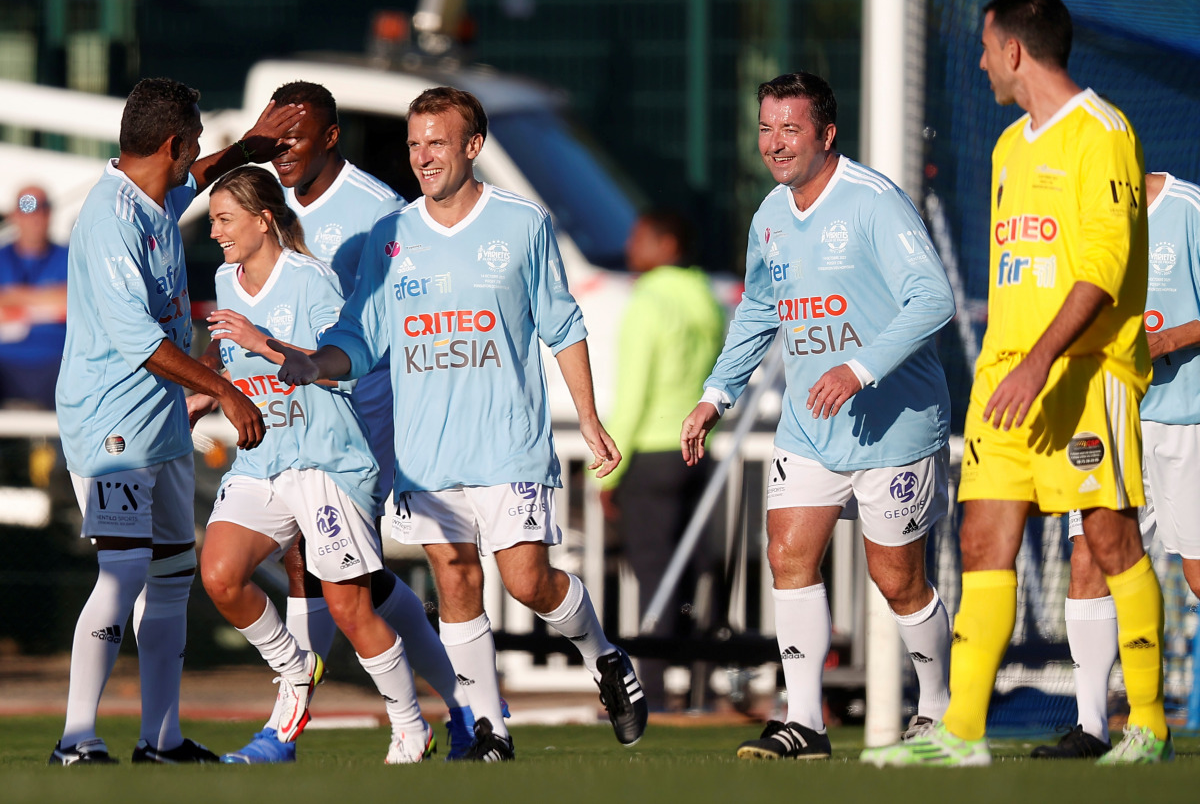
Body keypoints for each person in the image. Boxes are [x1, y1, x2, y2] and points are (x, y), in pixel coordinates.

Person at [272, 86, 649, 761]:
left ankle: (606, 656)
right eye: (415, 143)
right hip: (426, 453)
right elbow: (363, 334)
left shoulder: (522, 224)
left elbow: (562, 326)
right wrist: (316, 361)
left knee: (529, 581)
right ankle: (488, 728)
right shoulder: (393, 235)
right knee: (454, 577)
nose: (423, 156)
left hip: (508, 441)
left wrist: (589, 419)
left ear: (473, 147)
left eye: (437, 142)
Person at [863, 0, 1168, 767]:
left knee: (1108, 541)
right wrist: (1013, 360)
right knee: (980, 537)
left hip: (1084, 377)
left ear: (1014, 51)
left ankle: (1149, 724)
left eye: (986, 45)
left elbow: (1105, 266)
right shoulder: (1007, 146)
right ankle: (961, 731)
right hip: (1008, 380)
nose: (980, 60)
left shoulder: (1104, 132)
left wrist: (1043, 360)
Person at [681, 71, 957, 760]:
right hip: (809, 427)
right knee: (787, 554)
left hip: (895, 426)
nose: (774, 143)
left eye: (790, 129)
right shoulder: (771, 215)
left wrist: (859, 366)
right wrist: (718, 393)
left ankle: (939, 710)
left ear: (826, 135)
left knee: (897, 579)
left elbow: (934, 299)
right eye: (766, 127)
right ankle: (804, 720)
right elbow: (759, 310)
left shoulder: (872, 202)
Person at [217, 81, 474, 764]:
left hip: (362, 417)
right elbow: (181, 196)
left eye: (293, 138)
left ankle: (302, 723)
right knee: (354, 580)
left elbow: (393, 321)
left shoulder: (375, 210)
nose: (282, 152)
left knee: (339, 578)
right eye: (273, 140)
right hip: (288, 424)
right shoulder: (250, 208)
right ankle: (467, 705)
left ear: (332, 137)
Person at [50, 77, 302, 766]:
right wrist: (225, 390)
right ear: (171, 141)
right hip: (112, 430)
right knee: (124, 569)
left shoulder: (156, 195)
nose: (196, 154)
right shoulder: (110, 218)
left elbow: (199, 175)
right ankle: (76, 739)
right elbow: (140, 341)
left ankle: (158, 739)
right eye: (191, 140)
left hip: (157, 423)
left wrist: (249, 144)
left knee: (170, 577)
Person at [197, 167, 433, 763]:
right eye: (212, 221)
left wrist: (261, 342)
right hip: (262, 460)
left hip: (326, 461)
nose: (216, 232)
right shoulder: (227, 281)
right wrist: (202, 395)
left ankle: (410, 725)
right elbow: (231, 363)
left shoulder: (312, 281)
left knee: (353, 608)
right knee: (221, 575)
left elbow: (343, 361)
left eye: (225, 220)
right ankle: (294, 669)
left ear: (264, 219)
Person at [1033, 171, 1200, 759]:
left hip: (1186, 422)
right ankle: (1092, 727)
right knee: (1089, 558)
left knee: (1198, 578)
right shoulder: (1079, 221)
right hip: (1103, 422)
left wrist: (1171, 339)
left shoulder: (1188, 210)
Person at [598, 209, 726, 711]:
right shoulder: (706, 299)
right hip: (697, 451)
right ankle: (700, 685)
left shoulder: (648, 300)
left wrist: (612, 466)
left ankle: (649, 688)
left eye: (640, 237)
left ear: (666, 243)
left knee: (653, 573)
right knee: (694, 572)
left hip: (650, 453)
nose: (631, 247)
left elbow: (633, 392)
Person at [0, 186, 68, 409]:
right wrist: (50, 302)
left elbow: (74, 302)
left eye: (43, 207)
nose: (36, 216)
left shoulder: (69, 257)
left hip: (56, 361)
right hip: (6, 361)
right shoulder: (3, 257)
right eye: (27, 206)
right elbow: (63, 302)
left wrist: (14, 299)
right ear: (14, 215)